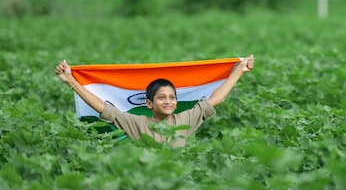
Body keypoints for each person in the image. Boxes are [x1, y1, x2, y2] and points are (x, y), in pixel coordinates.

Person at [54, 55, 255, 147]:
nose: (168, 102)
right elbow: (104, 108)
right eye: (161, 98)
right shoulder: (137, 124)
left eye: (172, 98)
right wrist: (71, 81)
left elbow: (215, 99)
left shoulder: (185, 121)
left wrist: (239, 71)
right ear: (149, 104)